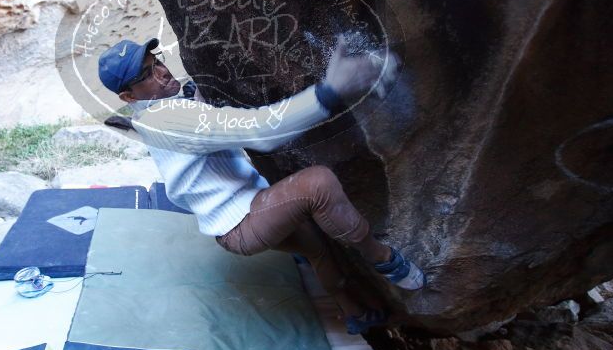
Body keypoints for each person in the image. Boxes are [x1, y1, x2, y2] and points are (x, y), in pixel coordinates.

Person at [98, 37, 426, 334]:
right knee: (317, 184)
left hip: (241, 214)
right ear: (129, 96)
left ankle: (358, 315)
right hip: (243, 223)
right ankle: (385, 259)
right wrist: (330, 91)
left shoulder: (163, 108)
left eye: (157, 62)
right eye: (146, 76)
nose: (161, 73)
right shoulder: (165, 120)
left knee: (318, 249)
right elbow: (260, 132)